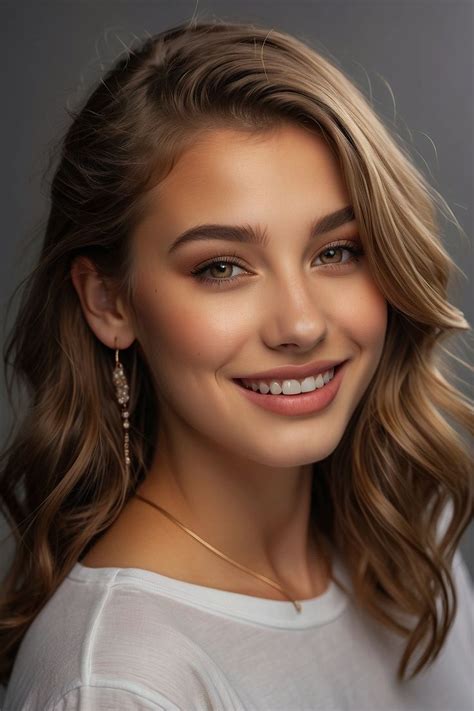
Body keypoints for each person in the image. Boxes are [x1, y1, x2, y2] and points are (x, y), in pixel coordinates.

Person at [0, 17, 472, 711]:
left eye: (336, 250)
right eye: (222, 267)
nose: (302, 323)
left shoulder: (407, 531)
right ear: (109, 301)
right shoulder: (119, 680)